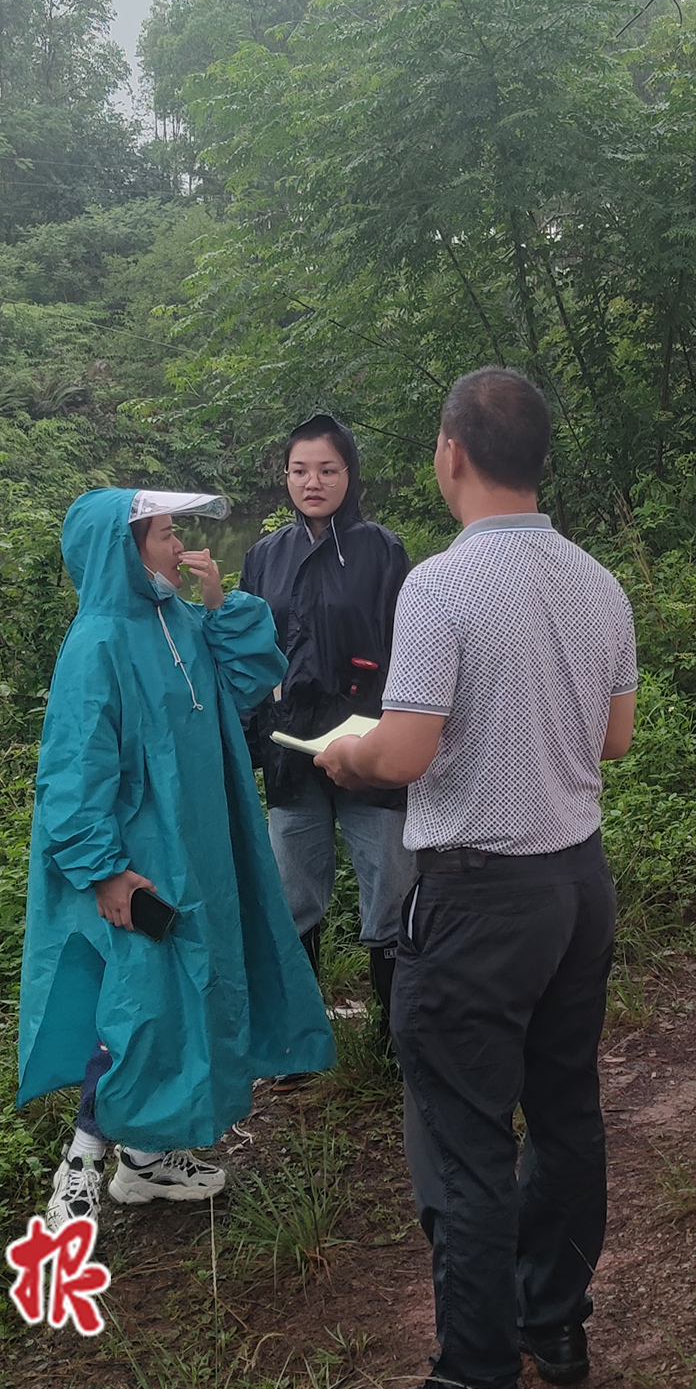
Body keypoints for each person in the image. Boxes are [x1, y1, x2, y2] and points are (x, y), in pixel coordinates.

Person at [319, 369, 637, 1389]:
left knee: (462, 1146)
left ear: (451, 453)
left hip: (477, 899)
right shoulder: (598, 583)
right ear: (538, 459)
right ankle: (555, 1324)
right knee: (563, 1111)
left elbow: (404, 751)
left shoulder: (440, 589)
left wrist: (344, 752)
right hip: (575, 885)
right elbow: (614, 738)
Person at [16, 488, 333, 1232]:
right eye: (161, 534)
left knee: (189, 998)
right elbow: (73, 771)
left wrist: (220, 601)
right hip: (141, 865)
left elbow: (250, 680)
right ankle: (80, 1168)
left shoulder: (177, 621)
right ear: (120, 552)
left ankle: (147, 1161)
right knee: (136, 1010)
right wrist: (104, 870)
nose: (176, 545)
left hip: (203, 849)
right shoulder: (96, 645)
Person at [240, 414, 416, 1030]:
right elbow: (247, 652)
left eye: (327, 469)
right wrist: (246, 737)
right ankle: (297, 1039)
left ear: (350, 474)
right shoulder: (266, 556)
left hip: (369, 744)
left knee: (390, 885)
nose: (312, 482)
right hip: (290, 748)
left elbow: (408, 648)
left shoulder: (381, 550)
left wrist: (398, 730)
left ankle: (396, 1038)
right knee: (293, 892)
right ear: (285, 477)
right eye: (299, 470)